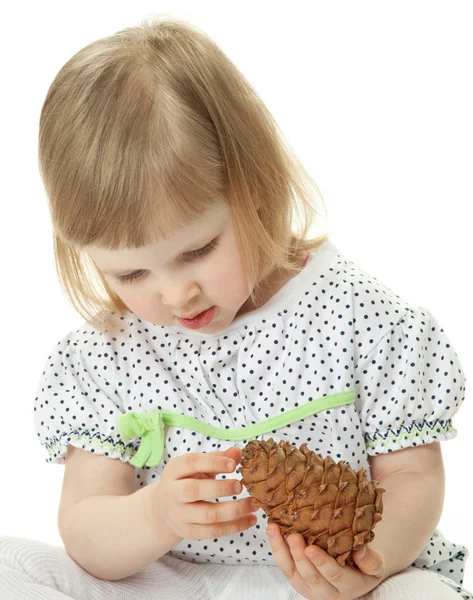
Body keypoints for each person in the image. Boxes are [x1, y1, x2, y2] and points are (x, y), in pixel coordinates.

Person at [0, 15, 470, 600]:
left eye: (198, 249)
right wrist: (156, 516)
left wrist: (371, 563)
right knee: (7, 563)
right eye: (131, 273)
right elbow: (85, 526)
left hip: (327, 585)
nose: (176, 295)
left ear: (257, 185)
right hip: (173, 581)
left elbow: (412, 477)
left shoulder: (361, 317)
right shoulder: (104, 358)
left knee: (423, 595)